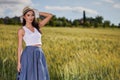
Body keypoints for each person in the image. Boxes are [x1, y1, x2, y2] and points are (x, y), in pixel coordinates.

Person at [17, 6, 53, 80]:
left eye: (32, 15)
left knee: (41, 76)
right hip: (28, 54)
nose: (31, 17)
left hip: (39, 53)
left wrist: (37, 12)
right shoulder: (21, 30)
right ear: (24, 17)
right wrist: (19, 63)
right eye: (28, 15)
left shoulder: (37, 27)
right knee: (29, 76)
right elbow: (20, 48)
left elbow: (50, 16)